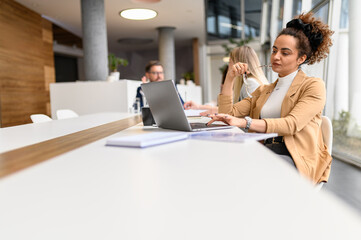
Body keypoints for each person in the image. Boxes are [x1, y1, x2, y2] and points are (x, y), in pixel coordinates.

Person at [207, 12, 334, 184]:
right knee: (222, 165)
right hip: (264, 150)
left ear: (301, 58)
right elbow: (228, 113)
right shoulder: (264, 90)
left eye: (285, 52)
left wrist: (246, 122)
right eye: (274, 50)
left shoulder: (313, 86)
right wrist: (229, 78)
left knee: (248, 174)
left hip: (296, 156)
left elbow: (291, 124)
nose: (276, 56)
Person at [183, 46, 268, 112]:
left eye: (230, 62)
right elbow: (233, 110)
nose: (229, 67)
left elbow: (235, 114)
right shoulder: (249, 82)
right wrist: (199, 107)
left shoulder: (250, 84)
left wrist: (229, 78)